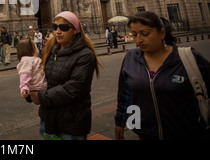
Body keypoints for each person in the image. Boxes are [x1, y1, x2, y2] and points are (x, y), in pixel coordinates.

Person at [114, 11, 210, 140]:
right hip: (146, 135)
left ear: (162, 33)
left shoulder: (188, 58)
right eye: (134, 34)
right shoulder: (131, 58)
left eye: (145, 34)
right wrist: (121, 122)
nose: (139, 40)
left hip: (187, 133)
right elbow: (126, 95)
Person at [29, 11, 101, 140]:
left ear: (75, 30)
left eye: (63, 27)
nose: (57, 31)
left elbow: (74, 89)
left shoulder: (85, 55)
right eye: (55, 27)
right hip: (48, 120)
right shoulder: (50, 51)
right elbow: (42, 79)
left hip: (71, 124)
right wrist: (29, 91)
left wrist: (39, 97)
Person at [17, 39, 48, 104]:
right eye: (36, 47)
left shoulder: (34, 60)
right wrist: (24, 88)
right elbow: (24, 76)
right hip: (36, 88)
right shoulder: (27, 61)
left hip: (41, 87)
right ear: (33, 50)